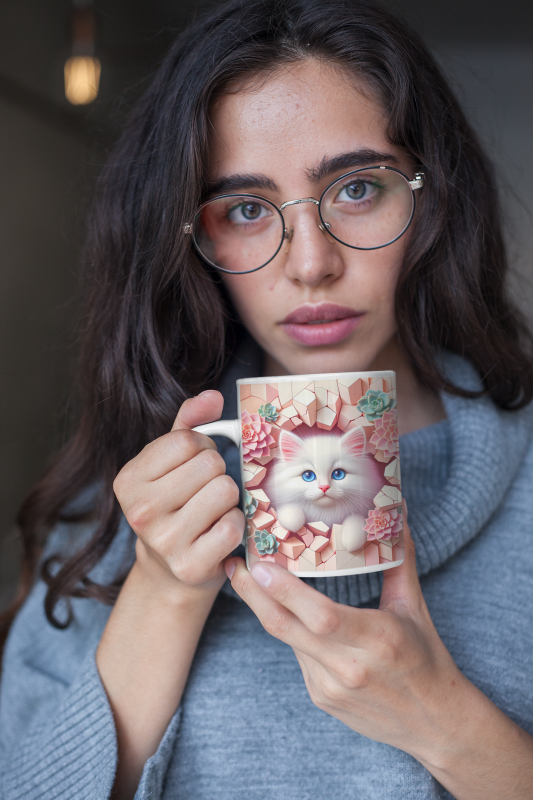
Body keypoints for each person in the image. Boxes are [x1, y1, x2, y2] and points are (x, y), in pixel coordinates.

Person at [1, 1, 533, 798]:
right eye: (246, 210)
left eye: (357, 189)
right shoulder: (116, 504)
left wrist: (446, 723)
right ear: (192, 239)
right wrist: (162, 591)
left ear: (431, 199)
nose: (310, 263)